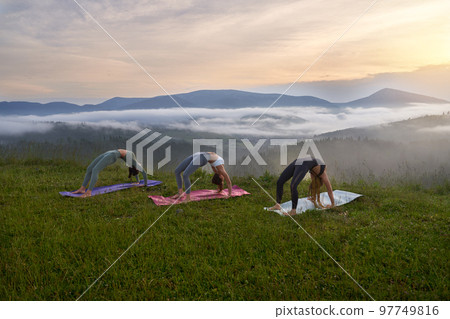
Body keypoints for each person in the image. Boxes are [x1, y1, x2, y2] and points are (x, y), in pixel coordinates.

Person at [268, 156, 335, 216]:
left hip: (302, 163)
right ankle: (277, 205)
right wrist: (332, 204)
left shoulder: (317, 173)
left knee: (293, 186)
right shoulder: (323, 173)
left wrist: (331, 204)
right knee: (280, 182)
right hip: (299, 162)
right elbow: (329, 189)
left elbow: (314, 187)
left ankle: (293, 211)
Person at [72, 149, 147, 198]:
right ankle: (82, 189)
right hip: (111, 152)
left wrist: (141, 183)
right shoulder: (133, 162)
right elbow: (141, 172)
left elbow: (140, 172)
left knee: (95, 170)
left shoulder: (133, 163)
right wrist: (139, 182)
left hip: (113, 154)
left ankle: (89, 192)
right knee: (89, 169)